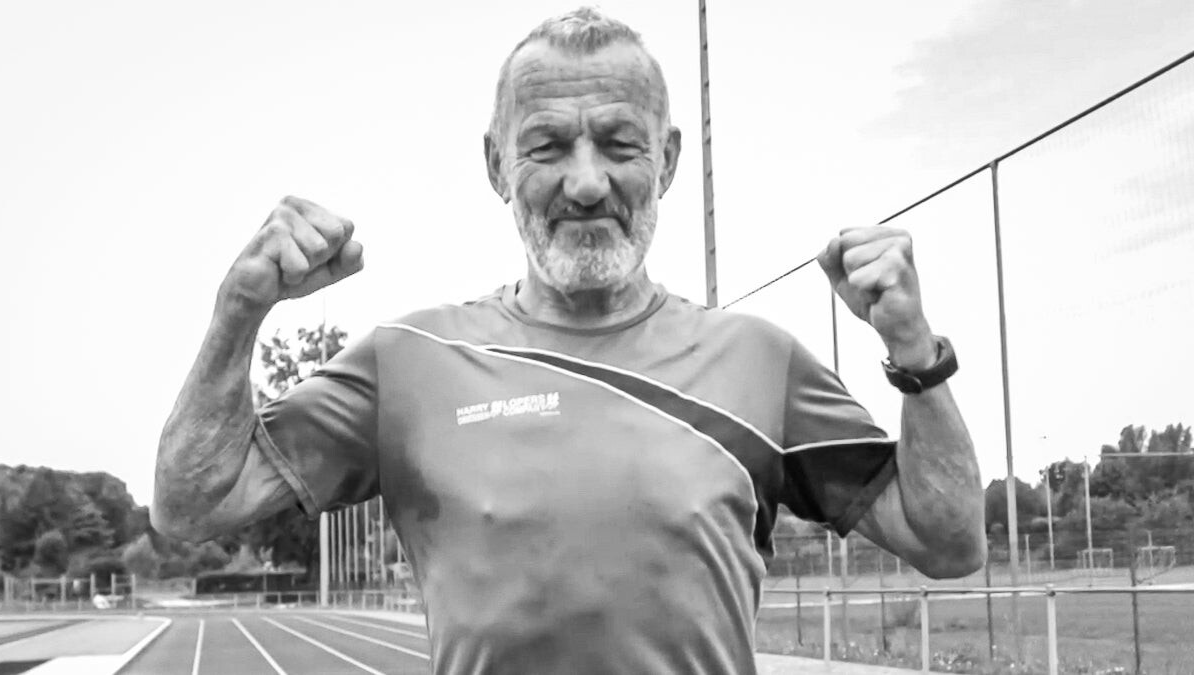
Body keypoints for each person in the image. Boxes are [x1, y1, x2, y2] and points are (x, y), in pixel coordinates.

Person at [152, 7, 985, 674]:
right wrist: (238, 311)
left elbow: (948, 542)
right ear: (496, 165)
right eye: (547, 147)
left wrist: (917, 355)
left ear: (667, 160)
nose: (586, 183)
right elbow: (191, 506)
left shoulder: (762, 361)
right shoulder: (406, 361)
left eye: (620, 144)